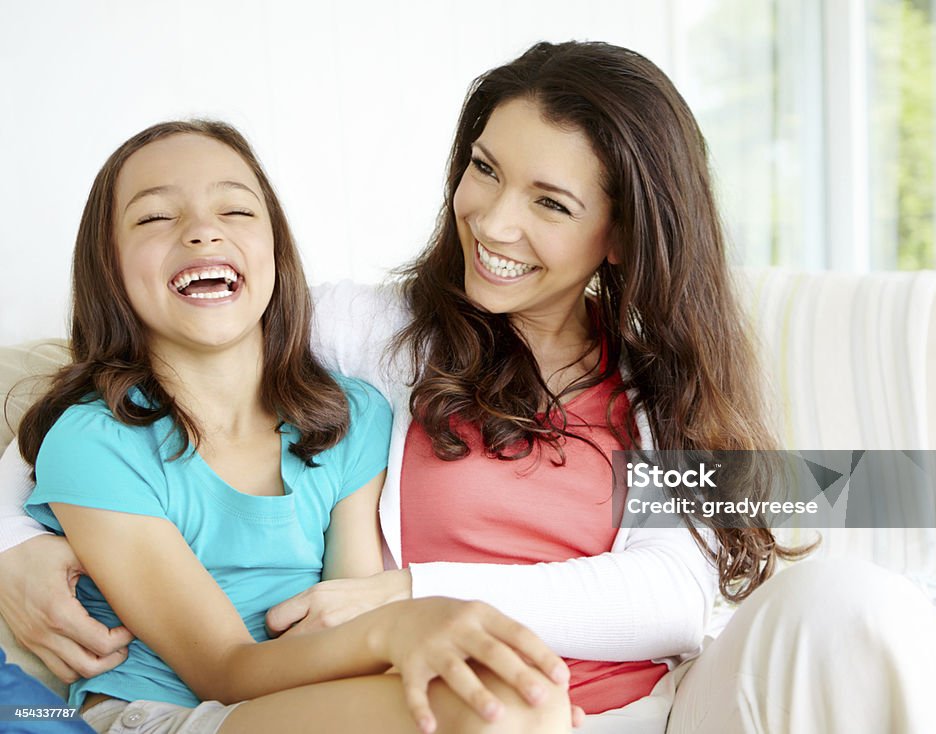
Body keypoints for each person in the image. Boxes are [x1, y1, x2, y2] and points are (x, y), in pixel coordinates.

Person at [1, 42, 936, 733]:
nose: (492, 219)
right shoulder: (380, 332)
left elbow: (672, 596)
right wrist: (10, 544)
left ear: (624, 234)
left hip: (658, 706)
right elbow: (114, 387)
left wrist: (411, 592)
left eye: (549, 202)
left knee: (860, 599)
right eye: (483, 169)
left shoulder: (654, 388)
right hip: (468, 709)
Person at [3, 120, 572, 734]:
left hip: (325, 688)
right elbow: (225, 667)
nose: (203, 230)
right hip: (167, 707)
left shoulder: (354, 416)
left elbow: (680, 591)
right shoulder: (98, 440)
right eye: (155, 218)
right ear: (108, 266)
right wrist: (405, 621)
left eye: (235, 208)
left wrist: (410, 623)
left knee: (515, 708)